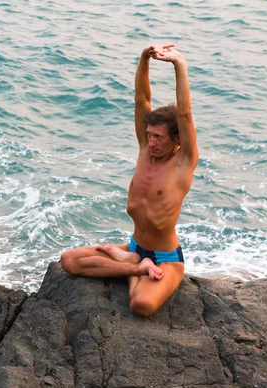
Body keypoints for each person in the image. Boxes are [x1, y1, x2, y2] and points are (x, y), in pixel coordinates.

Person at [60, 44, 199, 317]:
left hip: (166, 258)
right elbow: (141, 99)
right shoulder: (144, 151)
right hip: (134, 246)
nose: (152, 142)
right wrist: (144, 58)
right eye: (150, 135)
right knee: (68, 261)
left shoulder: (184, 162)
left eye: (159, 137)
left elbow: (184, 114)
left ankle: (134, 267)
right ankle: (135, 265)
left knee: (141, 305)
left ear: (177, 139)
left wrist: (178, 64)